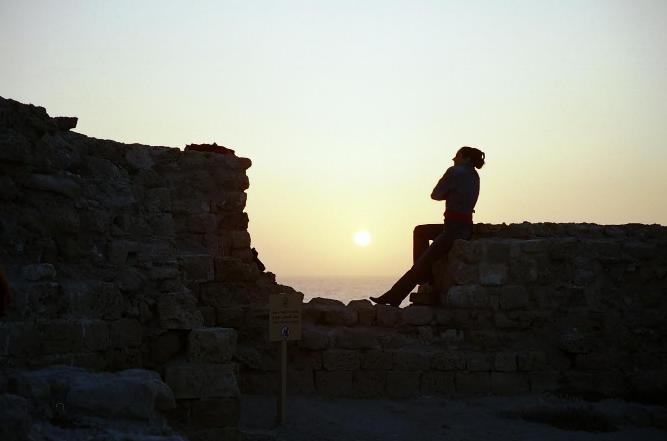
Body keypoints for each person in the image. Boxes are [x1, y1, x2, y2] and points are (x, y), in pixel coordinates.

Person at [371, 146, 485, 307]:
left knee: (422, 262)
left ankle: (395, 295)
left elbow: (435, 195)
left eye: (457, 156)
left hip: (452, 231)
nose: (453, 159)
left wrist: (449, 192)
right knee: (421, 231)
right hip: (465, 227)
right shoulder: (475, 175)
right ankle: (421, 276)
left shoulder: (454, 172)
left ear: (466, 159)